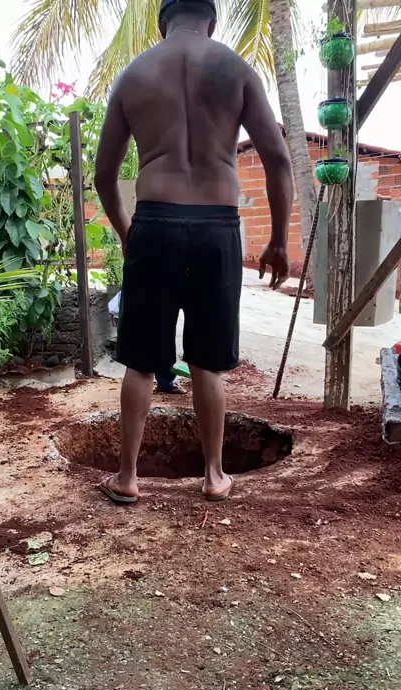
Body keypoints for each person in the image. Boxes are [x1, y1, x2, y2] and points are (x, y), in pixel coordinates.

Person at [95, 0, 294, 505]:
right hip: (216, 226)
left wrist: (127, 232)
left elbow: (103, 175)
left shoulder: (134, 75)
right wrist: (277, 239)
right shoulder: (236, 69)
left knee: (141, 362)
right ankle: (214, 475)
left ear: (163, 22)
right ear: (212, 19)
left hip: (155, 223)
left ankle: (127, 477)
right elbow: (277, 159)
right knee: (207, 363)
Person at [108, 290, 186, 394]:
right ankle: (164, 382)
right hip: (135, 313)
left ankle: (165, 382)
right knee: (144, 358)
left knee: (156, 350)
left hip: (136, 311)